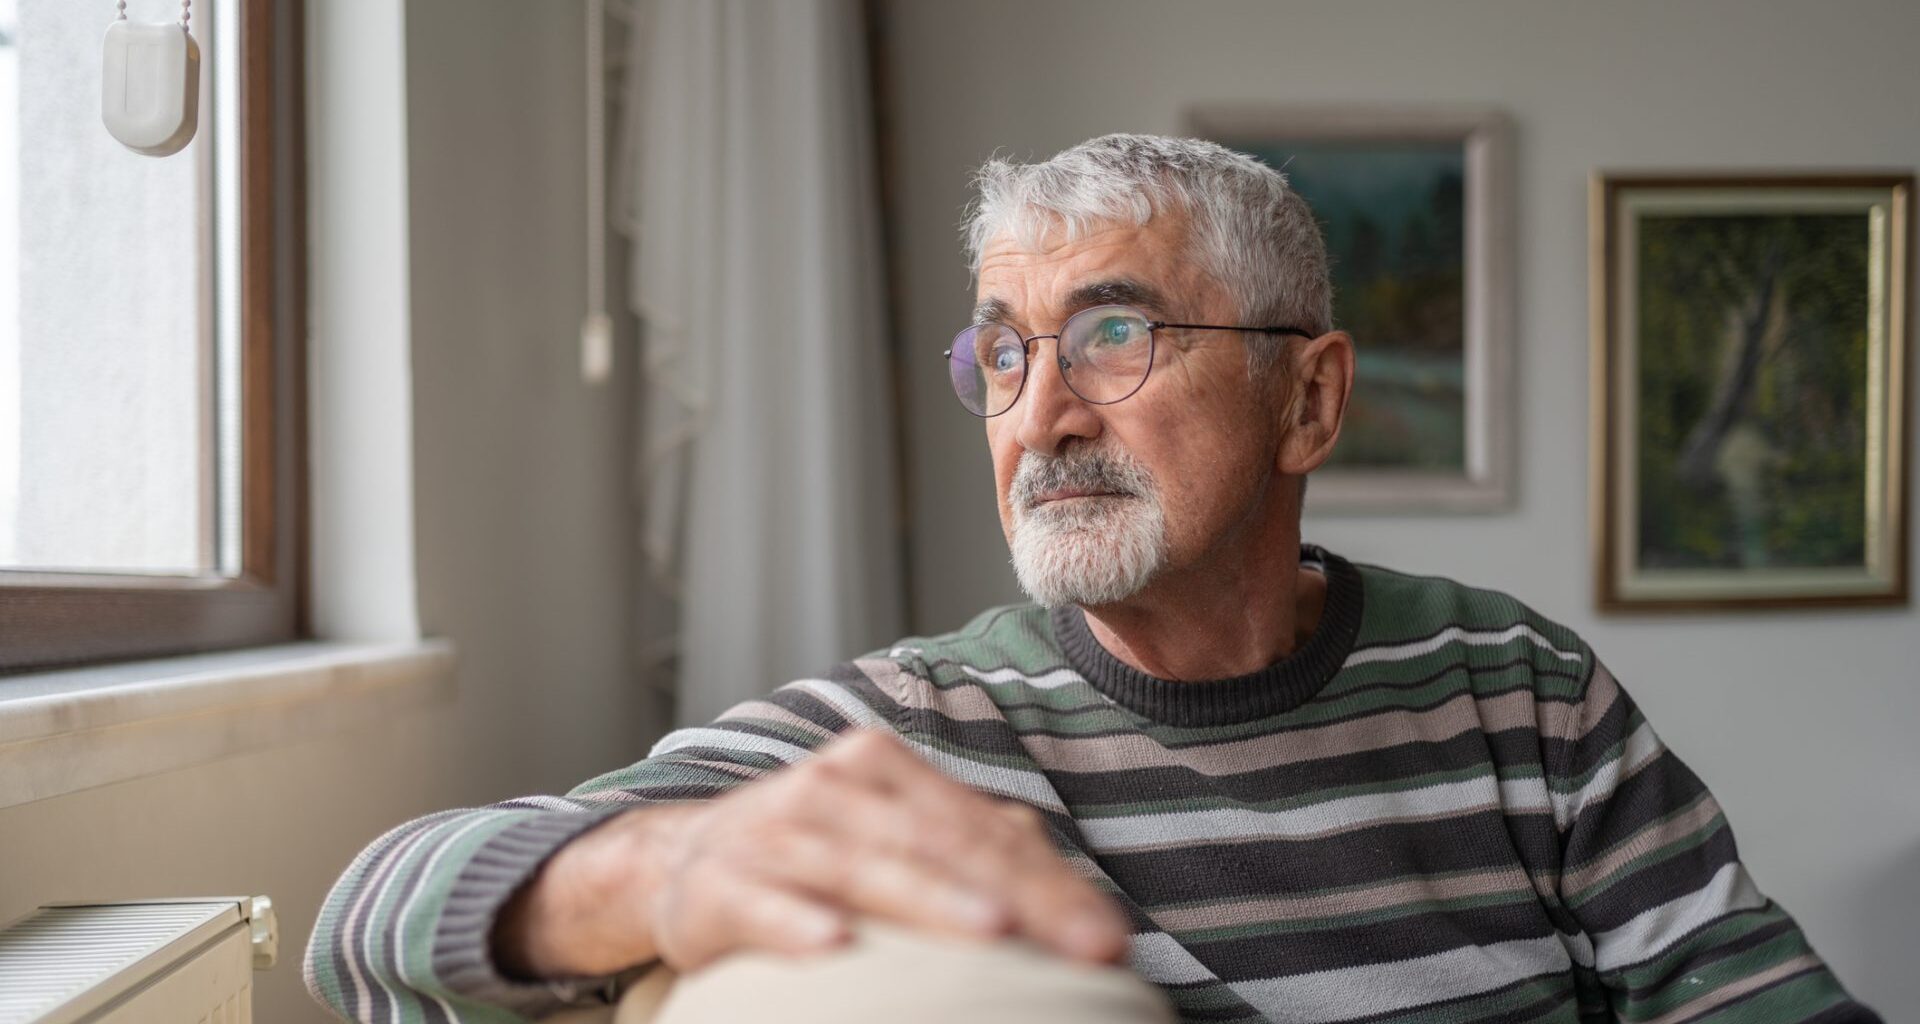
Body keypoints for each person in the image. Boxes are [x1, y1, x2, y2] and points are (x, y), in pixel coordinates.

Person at [305, 134, 1880, 1024]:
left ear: (1310, 400)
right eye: (1003, 354)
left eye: (1117, 336)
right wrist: (660, 873)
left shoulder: (1517, 689)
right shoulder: (905, 734)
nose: (1042, 413)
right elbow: (364, 910)